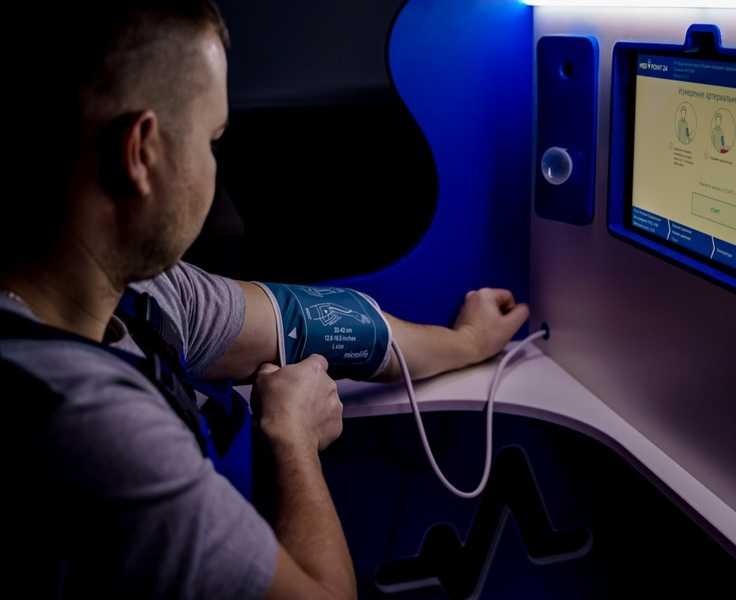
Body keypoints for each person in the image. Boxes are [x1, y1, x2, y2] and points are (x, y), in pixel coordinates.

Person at [1, 2, 529, 598]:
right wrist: (293, 440)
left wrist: (465, 342)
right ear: (142, 151)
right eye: (212, 139)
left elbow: (309, 323)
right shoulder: (90, 428)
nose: (214, 169)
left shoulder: (141, 292)